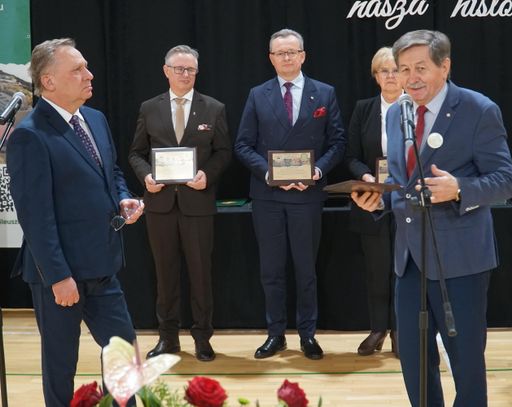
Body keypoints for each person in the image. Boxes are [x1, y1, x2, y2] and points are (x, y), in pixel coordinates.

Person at [351, 30, 512, 406]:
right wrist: (378, 201)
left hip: (460, 259)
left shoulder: (478, 109)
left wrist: (459, 188)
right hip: (409, 261)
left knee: (466, 363)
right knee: (414, 362)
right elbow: (402, 183)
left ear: (445, 67)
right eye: (404, 68)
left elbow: (506, 181)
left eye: (421, 68)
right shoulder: (397, 114)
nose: (411, 78)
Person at [6, 38, 144, 406]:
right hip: (60, 275)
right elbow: (35, 216)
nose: (89, 74)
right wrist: (58, 277)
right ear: (49, 81)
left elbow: (111, 172)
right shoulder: (30, 135)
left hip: (102, 266)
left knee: (124, 356)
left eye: (85, 67)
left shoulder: (95, 119)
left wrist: (123, 197)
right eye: (77, 70)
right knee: (61, 366)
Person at [235, 28, 346, 360]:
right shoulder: (258, 95)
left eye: (292, 52)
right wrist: (270, 174)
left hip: (307, 196)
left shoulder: (324, 93)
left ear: (303, 56)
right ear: (271, 58)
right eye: (280, 53)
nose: (286, 57)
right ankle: (276, 334)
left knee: (305, 269)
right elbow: (243, 145)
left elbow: (337, 142)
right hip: (268, 197)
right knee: (271, 270)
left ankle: (308, 335)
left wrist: (317, 171)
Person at [129, 45, 231, 362]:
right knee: (165, 275)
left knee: (201, 275)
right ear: (166, 71)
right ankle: (168, 338)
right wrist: (146, 176)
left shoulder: (213, 108)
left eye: (190, 70)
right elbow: (136, 153)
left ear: (197, 72)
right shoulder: (149, 108)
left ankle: (202, 338)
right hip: (159, 206)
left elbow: (224, 152)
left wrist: (207, 175)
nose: (185, 74)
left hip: (197, 204)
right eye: (179, 69)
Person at [345, 47, 400, 357]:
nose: (390, 76)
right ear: (376, 76)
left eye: (395, 70)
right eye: (383, 71)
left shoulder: (416, 108)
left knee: (405, 271)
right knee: (377, 270)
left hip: (408, 202)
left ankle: (400, 331)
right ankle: (378, 329)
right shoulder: (364, 109)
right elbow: (351, 155)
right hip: (372, 201)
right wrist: (366, 176)